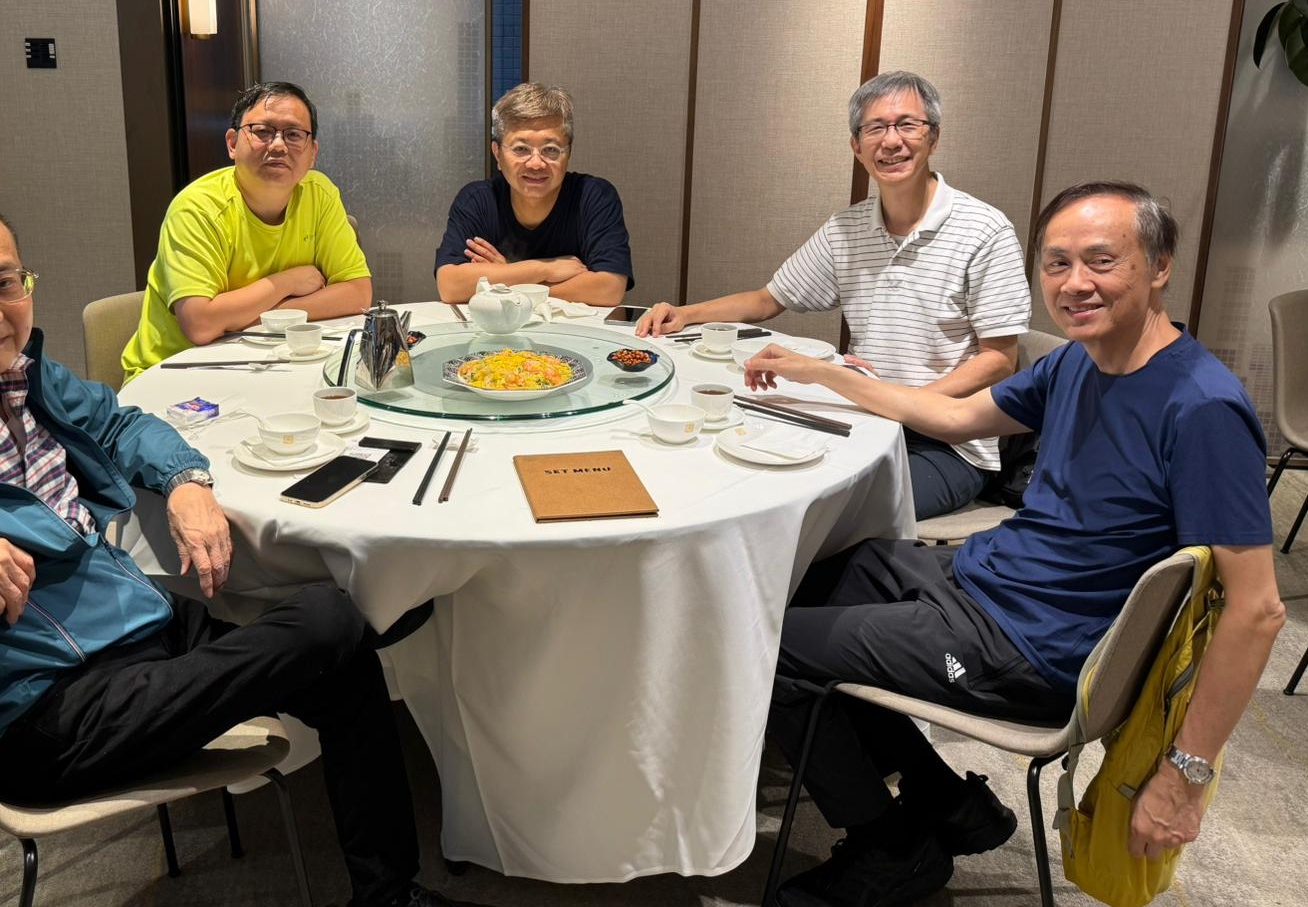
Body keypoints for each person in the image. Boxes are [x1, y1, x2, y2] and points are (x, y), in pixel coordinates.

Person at [0, 186, 481, 907]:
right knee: (329, 619)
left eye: (3, 281)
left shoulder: (18, 374)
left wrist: (185, 481)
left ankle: (386, 893)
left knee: (344, 645)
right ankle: (383, 618)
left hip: (138, 632)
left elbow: (120, 422)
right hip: (42, 709)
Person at [741, 182, 1284, 907]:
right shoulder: (1079, 361)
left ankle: (891, 849)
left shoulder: (1202, 408)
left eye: (1101, 261)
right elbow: (958, 417)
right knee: (813, 578)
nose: (1074, 283)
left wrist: (1185, 776)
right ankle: (947, 800)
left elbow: (1258, 610)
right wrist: (821, 374)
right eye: (1056, 264)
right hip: (987, 579)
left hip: (1035, 645)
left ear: (1159, 267)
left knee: (763, 644)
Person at [638, 71, 1031, 519]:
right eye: (875, 128)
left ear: (933, 137)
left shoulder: (984, 229)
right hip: (864, 419)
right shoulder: (848, 228)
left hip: (948, 445)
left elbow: (1000, 358)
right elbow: (769, 299)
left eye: (907, 125)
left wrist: (912, 405)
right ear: (856, 146)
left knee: (818, 512)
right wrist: (684, 313)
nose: (891, 140)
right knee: (743, 467)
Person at [123, 82, 372, 381]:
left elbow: (358, 293)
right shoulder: (197, 209)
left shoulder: (320, 194)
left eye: (293, 135)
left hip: (273, 365)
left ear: (312, 153)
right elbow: (201, 324)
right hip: (177, 374)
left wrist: (249, 315)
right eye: (263, 131)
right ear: (232, 142)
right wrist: (286, 281)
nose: (278, 145)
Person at [434, 82, 632, 306]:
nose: (536, 163)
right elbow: (450, 286)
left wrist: (507, 275)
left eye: (550, 150)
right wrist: (543, 268)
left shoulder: (594, 197)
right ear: (497, 154)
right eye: (521, 149)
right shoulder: (477, 200)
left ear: (568, 153)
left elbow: (609, 288)